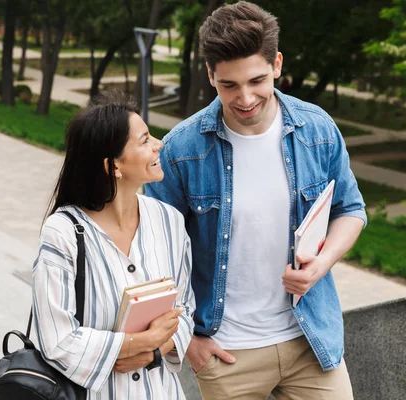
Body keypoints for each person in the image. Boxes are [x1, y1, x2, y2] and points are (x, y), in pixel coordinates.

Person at [145, 2, 366, 399]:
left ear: (277, 64)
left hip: (310, 341)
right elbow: (153, 254)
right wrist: (188, 342)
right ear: (211, 74)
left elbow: (350, 210)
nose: (245, 98)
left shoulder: (317, 130)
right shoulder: (181, 150)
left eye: (257, 81)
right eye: (229, 85)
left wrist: (322, 263)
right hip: (226, 352)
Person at [32, 93, 195, 399]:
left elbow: (185, 310)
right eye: (145, 140)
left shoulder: (169, 221)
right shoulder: (63, 233)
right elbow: (56, 340)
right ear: (113, 166)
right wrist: (135, 344)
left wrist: (152, 354)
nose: (159, 144)